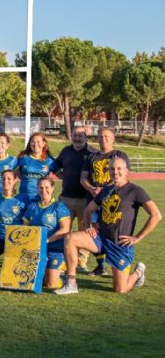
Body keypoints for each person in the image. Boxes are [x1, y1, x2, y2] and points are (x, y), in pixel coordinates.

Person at [56, 156, 162, 295]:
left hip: (120, 243)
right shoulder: (107, 190)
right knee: (70, 238)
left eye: (119, 168)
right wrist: (89, 225)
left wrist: (137, 237)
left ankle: (138, 272)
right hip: (100, 239)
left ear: (126, 171)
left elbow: (156, 215)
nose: (115, 172)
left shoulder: (136, 191)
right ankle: (71, 283)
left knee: (120, 289)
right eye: (112, 169)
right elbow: (88, 210)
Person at [80, 127, 130, 276]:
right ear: (97, 139)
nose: (104, 139)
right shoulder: (91, 156)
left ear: (113, 138)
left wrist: (108, 189)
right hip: (94, 200)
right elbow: (83, 178)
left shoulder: (119, 155)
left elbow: (125, 177)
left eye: (107, 136)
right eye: (101, 136)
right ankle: (101, 265)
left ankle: (120, 264)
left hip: (112, 201)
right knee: (93, 232)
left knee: (112, 232)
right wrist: (92, 189)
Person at [54, 126, 95, 272]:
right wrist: (62, 176)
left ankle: (82, 261)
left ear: (86, 137)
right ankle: (63, 259)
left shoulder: (92, 153)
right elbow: (55, 166)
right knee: (62, 229)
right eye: (74, 135)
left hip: (85, 199)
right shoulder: (66, 151)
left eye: (80, 135)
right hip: (65, 198)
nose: (77, 138)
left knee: (84, 231)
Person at [22, 177, 71, 289]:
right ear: (37, 189)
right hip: (36, 250)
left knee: (51, 285)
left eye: (47, 187)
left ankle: (62, 276)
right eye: (41, 187)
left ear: (53, 188)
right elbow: (25, 226)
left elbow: (65, 229)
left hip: (55, 250)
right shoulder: (32, 206)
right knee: (33, 281)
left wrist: (46, 240)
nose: (44, 190)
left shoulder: (59, 207)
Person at [17, 133, 56, 203]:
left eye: (38, 142)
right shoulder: (23, 157)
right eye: (33, 141)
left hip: (41, 197)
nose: (35, 144)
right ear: (29, 144)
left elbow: (60, 174)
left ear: (44, 143)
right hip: (23, 197)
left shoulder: (50, 160)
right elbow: (16, 173)